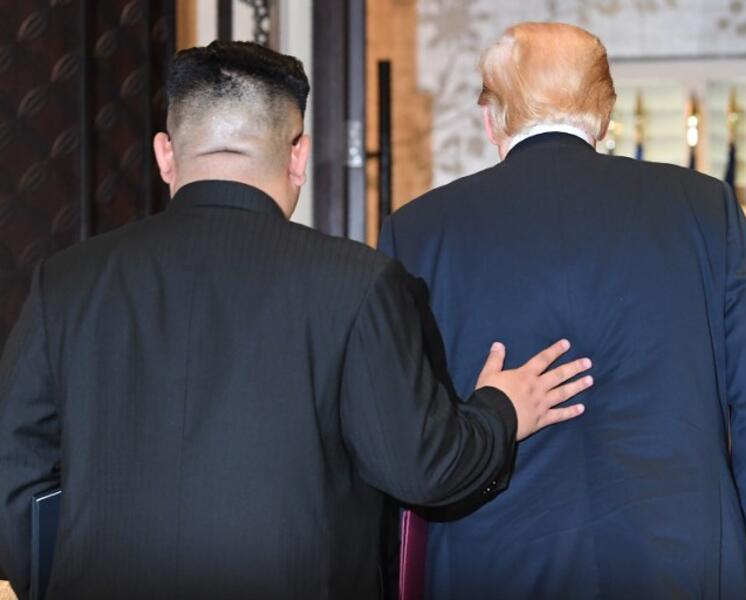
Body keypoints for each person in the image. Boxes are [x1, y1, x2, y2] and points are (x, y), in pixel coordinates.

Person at [0, 41, 593, 600]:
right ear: (299, 156)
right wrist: (502, 409)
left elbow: (14, 464)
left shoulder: (68, 281)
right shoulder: (356, 283)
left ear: (164, 154)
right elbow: (421, 468)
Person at [379, 22, 746, 599]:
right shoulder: (704, 209)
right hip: (682, 562)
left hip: (492, 563)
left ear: (492, 119)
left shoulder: (420, 231)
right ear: (605, 115)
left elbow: (406, 432)